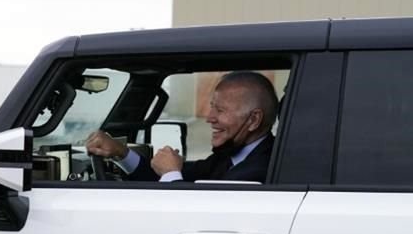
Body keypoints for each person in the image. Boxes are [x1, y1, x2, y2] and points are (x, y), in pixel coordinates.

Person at [85, 71, 278, 183]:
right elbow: (160, 174)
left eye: (220, 110)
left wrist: (171, 173)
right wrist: (121, 152)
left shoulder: (261, 170)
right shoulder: (229, 157)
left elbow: (198, 215)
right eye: (211, 107)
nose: (209, 118)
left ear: (253, 120)